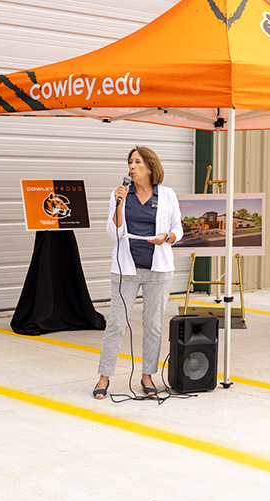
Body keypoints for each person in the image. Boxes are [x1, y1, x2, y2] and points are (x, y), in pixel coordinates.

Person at [93, 146, 183, 399]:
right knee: (116, 324)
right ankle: (104, 377)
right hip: (126, 268)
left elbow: (179, 227)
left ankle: (147, 375)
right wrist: (118, 205)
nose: (131, 167)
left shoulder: (167, 195)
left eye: (137, 162)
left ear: (151, 167)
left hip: (159, 269)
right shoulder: (120, 195)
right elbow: (114, 233)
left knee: (153, 324)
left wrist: (168, 237)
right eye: (130, 162)